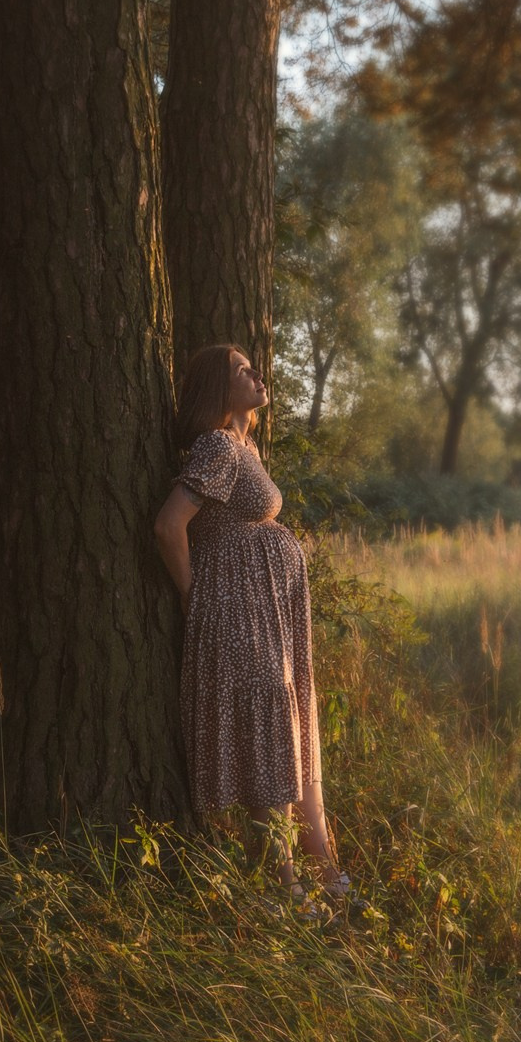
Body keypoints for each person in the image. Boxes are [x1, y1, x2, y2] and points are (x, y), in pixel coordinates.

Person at [153, 343, 343, 894]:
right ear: (220, 387)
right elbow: (168, 526)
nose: (257, 374)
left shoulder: (246, 448)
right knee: (267, 735)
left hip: (267, 612)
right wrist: (193, 595)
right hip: (236, 612)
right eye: (242, 370)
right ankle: (284, 890)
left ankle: (326, 874)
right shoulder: (217, 445)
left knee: (289, 730)